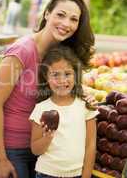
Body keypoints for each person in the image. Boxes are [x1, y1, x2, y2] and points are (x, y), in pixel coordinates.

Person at [0, 0, 95, 178]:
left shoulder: (61, 54)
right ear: (47, 13)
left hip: (47, 151)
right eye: (60, 15)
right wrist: (0, 159)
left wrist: (82, 95)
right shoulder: (22, 51)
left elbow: (61, 93)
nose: (66, 24)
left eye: (74, 19)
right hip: (13, 149)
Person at [30, 46, 98, 178]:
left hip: (77, 174)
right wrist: (47, 137)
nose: (62, 80)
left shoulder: (86, 106)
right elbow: (35, 150)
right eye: (55, 75)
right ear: (46, 77)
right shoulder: (41, 108)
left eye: (67, 74)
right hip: (46, 173)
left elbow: (90, 146)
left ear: (75, 75)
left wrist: (86, 175)